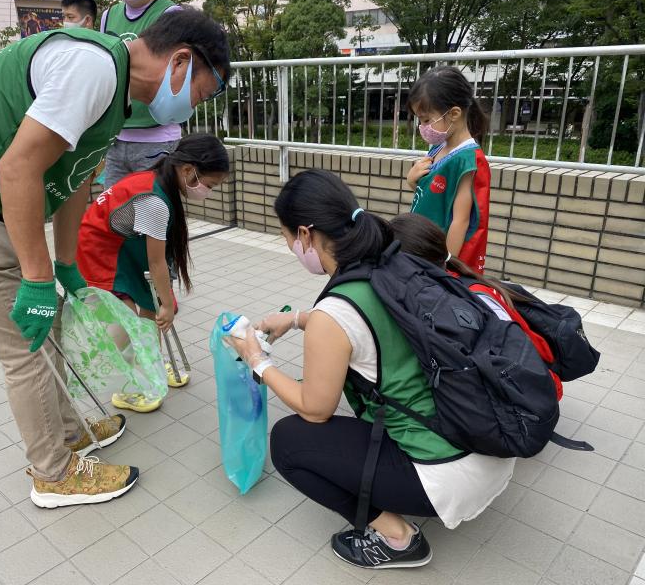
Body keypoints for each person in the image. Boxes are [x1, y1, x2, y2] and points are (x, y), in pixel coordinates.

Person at [0, 8, 229, 508]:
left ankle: (68, 432)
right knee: (27, 347)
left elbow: (76, 180)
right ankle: (53, 473)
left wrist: (64, 264)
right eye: (200, 93)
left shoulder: (113, 88)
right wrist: (35, 277)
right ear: (181, 61)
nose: (189, 109)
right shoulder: (92, 67)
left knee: (48, 330)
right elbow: (19, 166)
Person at [227, 169, 514, 570]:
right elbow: (367, 318)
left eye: (288, 236)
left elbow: (315, 408)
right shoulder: (395, 260)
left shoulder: (334, 314)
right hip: (489, 444)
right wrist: (295, 320)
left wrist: (259, 361)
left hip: (448, 477)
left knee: (289, 441)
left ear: (306, 235)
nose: (290, 244)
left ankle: (398, 539)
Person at [77, 133, 229, 411]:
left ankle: (150, 366)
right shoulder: (155, 201)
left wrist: (162, 301)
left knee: (150, 310)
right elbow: (157, 263)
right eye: (210, 184)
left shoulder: (162, 181)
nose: (209, 191)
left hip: (124, 242)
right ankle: (134, 385)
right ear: (188, 170)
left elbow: (156, 263)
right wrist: (168, 304)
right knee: (125, 323)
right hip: (103, 252)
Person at [390, 212, 563, 400]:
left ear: (412, 263)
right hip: (520, 379)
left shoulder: (469, 295)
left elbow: (513, 351)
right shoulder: (449, 284)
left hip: (534, 388)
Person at [406, 66, 490, 274]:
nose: (422, 126)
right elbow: (432, 195)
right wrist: (412, 180)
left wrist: (446, 266)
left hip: (439, 260)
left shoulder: (466, 161)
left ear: (453, 114)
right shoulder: (440, 146)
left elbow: (460, 221)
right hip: (422, 247)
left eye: (426, 120)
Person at [100, 0, 184, 187]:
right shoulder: (108, 16)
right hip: (116, 136)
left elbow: (179, 72)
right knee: (114, 213)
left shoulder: (170, 14)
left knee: (152, 214)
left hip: (157, 139)